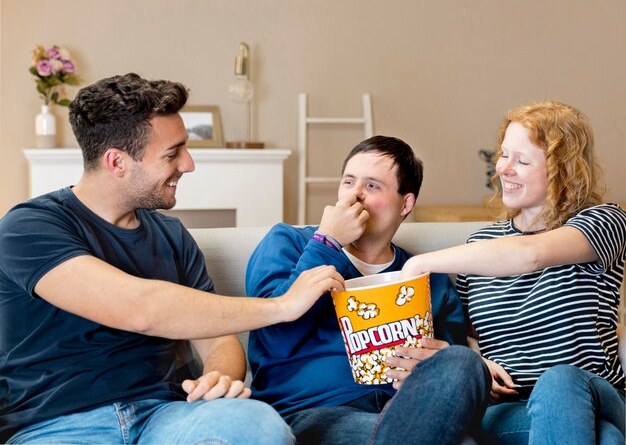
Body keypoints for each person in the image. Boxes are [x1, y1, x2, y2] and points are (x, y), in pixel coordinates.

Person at [0, 73, 345, 445]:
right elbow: (139, 308)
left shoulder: (172, 234)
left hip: (162, 416)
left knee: (258, 425)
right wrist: (282, 306)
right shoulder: (29, 227)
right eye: (172, 153)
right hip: (56, 425)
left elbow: (217, 339)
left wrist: (218, 375)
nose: (189, 164)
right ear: (117, 162)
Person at [400, 101, 625, 444]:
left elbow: (531, 254)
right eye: (503, 155)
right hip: (511, 407)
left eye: (522, 160)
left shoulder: (604, 221)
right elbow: (465, 330)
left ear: (564, 169)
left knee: (559, 380)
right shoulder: (482, 245)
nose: (504, 168)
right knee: (607, 440)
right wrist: (475, 367)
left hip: (594, 391)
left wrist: (420, 263)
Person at [246, 135, 491, 445]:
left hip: (412, 411)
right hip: (316, 413)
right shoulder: (288, 244)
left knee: (464, 362)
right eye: (348, 182)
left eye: (372, 186)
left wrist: (432, 362)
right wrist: (327, 243)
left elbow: (453, 385)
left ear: (406, 204)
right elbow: (272, 342)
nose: (355, 195)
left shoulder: (428, 278)